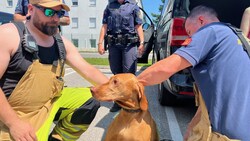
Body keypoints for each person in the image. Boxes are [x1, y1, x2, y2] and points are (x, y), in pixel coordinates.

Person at [0, 0, 109, 141]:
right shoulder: (9, 34)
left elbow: (88, 70)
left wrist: (121, 90)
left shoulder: (60, 43)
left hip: (48, 104)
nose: (56, 18)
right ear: (31, 10)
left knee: (90, 99)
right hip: (14, 115)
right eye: (49, 12)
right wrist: (14, 123)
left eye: (59, 13)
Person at [138, 5, 250, 141]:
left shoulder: (211, 31)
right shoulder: (234, 37)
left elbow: (166, 68)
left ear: (201, 21)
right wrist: (191, 128)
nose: (190, 37)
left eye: (190, 32)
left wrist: (133, 82)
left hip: (229, 136)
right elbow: (210, 98)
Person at [97, 0, 145, 112]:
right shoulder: (109, 6)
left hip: (129, 44)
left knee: (129, 73)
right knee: (116, 73)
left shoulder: (133, 7)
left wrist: (142, 43)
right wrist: (100, 43)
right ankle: (118, 102)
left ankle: (131, 101)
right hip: (114, 44)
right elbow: (104, 26)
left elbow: (138, 26)